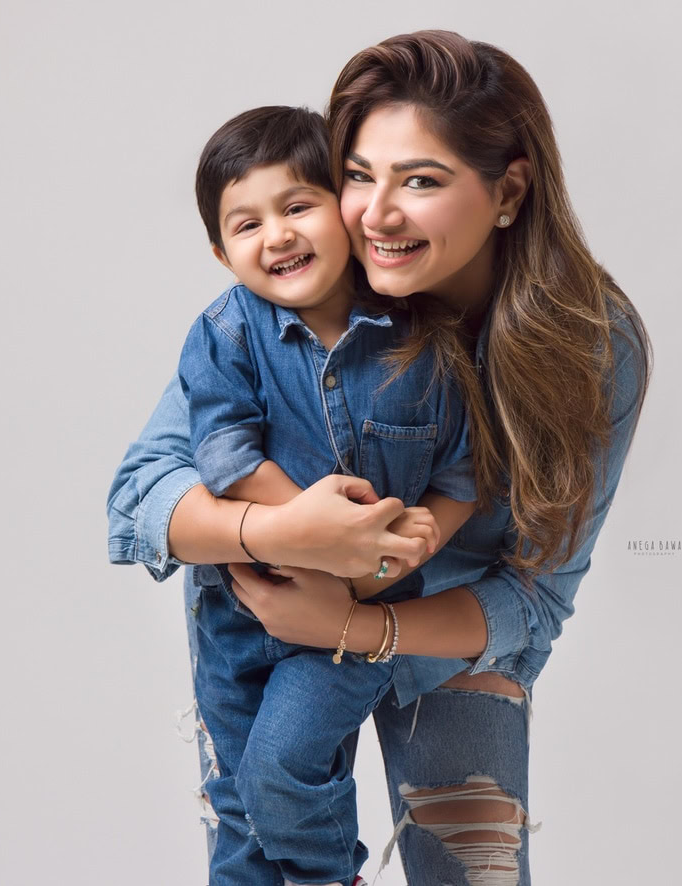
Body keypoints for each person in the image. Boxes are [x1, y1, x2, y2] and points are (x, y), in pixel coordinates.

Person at [107, 30, 652, 886]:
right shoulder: (294, 295)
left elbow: (536, 595)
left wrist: (357, 622)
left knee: (469, 869)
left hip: (452, 635)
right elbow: (144, 497)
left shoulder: (588, 348)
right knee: (263, 829)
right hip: (275, 617)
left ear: (508, 190)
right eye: (358, 176)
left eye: (422, 182)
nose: (376, 214)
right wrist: (298, 537)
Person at [156, 104, 482, 886]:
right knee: (239, 814)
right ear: (218, 250)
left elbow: (462, 478)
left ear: (342, 207)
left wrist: (401, 546)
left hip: (354, 618)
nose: (277, 235)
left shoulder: (424, 338)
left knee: (281, 769)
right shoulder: (225, 334)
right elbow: (227, 457)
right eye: (246, 224)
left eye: (298, 206)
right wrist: (320, 534)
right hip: (236, 620)